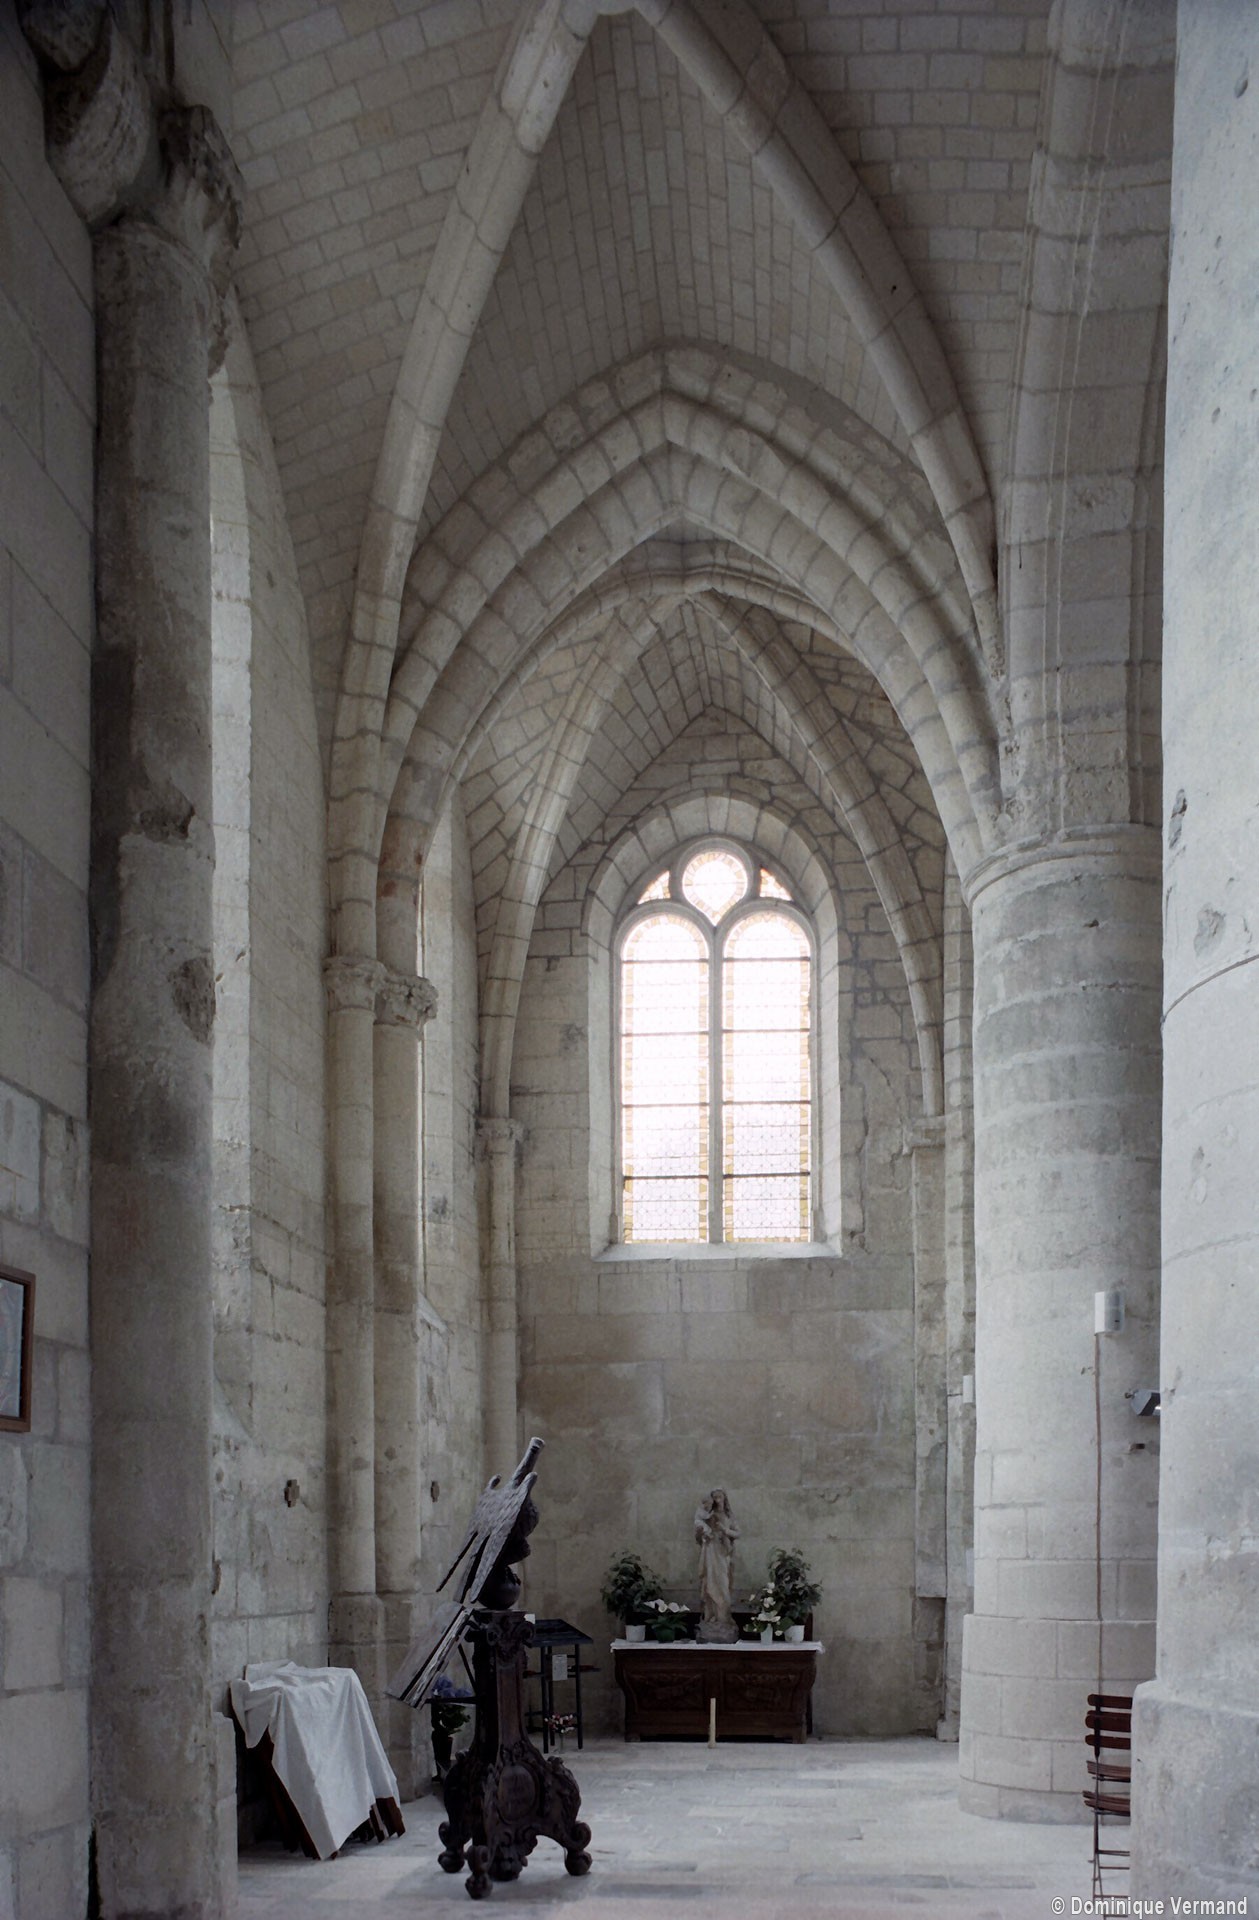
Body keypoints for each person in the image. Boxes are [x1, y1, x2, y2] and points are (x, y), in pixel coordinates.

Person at [694, 1489, 740, 1642]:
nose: (717, 1500)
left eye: (720, 1497)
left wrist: (725, 1530)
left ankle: (724, 1619)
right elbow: (698, 1538)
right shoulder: (708, 1515)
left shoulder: (729, 1516)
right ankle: (711, 1617)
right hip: (710, 1551)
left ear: (724, 1498)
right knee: (709, 1584)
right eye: (714, 1497)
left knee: (723, 1584)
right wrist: (700, 1532)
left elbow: (738, 1533)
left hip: (723, 1553)